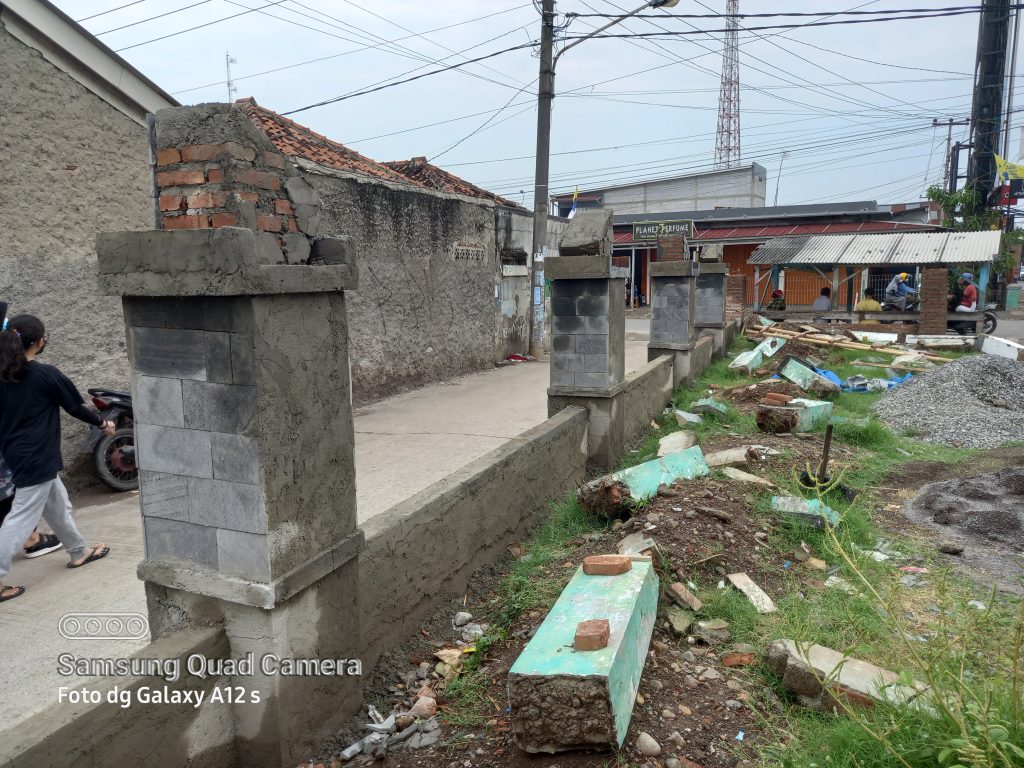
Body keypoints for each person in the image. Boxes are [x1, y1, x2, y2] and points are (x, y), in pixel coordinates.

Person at [0, 314, 114, 604]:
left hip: (17, 453)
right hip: (37, 456)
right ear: (39, 342)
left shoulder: (3, 372)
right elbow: (75, 407)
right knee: (20, 519)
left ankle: (78, 551)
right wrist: (103, 424)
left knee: (58, 505)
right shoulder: (45, 374)